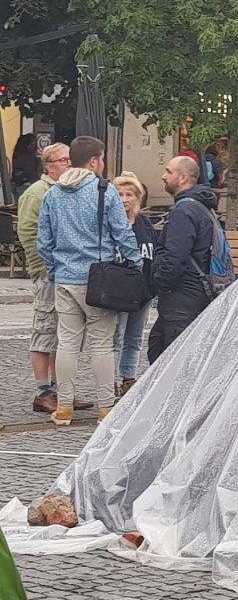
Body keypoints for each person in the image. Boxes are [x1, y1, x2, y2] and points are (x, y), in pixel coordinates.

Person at [36, 136, 141, 424]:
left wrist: (54, 269)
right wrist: (136, 263)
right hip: (99, 279)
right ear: (94, 161)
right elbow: (121, 232)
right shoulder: (103, 190)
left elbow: (43, 241)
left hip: (64, 279)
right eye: (102, 159)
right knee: (101, 344)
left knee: (67, 343)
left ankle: (64, 407)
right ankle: (106, 407)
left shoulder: (53, 194)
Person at [15, 143, 72, 414]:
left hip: (65, 271)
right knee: (44, 330)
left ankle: (60, 390)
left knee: (61, 335)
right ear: (49, 166)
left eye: (70, 160)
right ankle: (43, 391)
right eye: (63, 160)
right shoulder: (37, 193)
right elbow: (27, 231)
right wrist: (42, 267)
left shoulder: (63, 190)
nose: (69, 165)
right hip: (48, 272)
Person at [149, 155, 218, 363]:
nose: (163, 176)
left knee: (173, 358)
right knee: (157, 347)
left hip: (182, 294)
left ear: (183, 178)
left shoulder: (185, 210)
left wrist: (159, 281)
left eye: (169, 172)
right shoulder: (202, 207)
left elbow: (176, 255)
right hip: (195, 291)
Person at [110, 172, 155, 398]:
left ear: (137, 198)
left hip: (143, 292)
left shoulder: (145, 224)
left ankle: (128, 377)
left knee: (135, 338)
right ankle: (112, 381)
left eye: (129, 195)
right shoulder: (109, 225)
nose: (125, 199)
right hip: (118, 292)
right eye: (119, 194)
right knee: (116, 338)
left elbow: (153, 254)